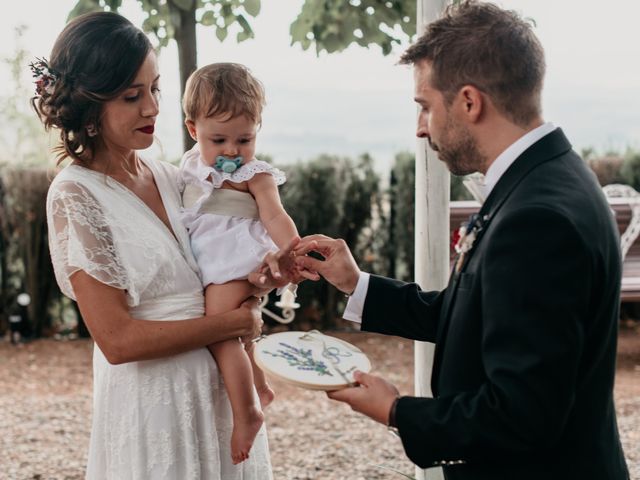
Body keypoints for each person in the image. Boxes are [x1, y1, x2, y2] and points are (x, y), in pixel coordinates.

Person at [294, 1, 630, 479]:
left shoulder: (536, 218)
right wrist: (356, 283)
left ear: (470, 102)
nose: (419, 127)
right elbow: (470, 315)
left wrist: (397, 411)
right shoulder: (550, 176)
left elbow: (521, 415)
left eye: (425, 106)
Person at [33, 11, 297, 479]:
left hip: (218, 404)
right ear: (90, 107)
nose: (153, 108)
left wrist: (261, 276)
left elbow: (223, 251)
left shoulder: (173, 175)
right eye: (132, 96)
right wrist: (232, 322)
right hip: (153, 408)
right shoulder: (75, 196)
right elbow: (116, 341)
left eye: (155, 89)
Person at [178, 62, 299, 464]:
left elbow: (274, 216)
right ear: (193, 130)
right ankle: (259, 385)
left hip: (239, 262)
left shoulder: (255, 174)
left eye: (244, 139)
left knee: (218, 332)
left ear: (257, 131)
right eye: (219, 139)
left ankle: (247, 411)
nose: (232, 151)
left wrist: (292, 252)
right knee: (240, 335)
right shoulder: (190, 166)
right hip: (213, 264)